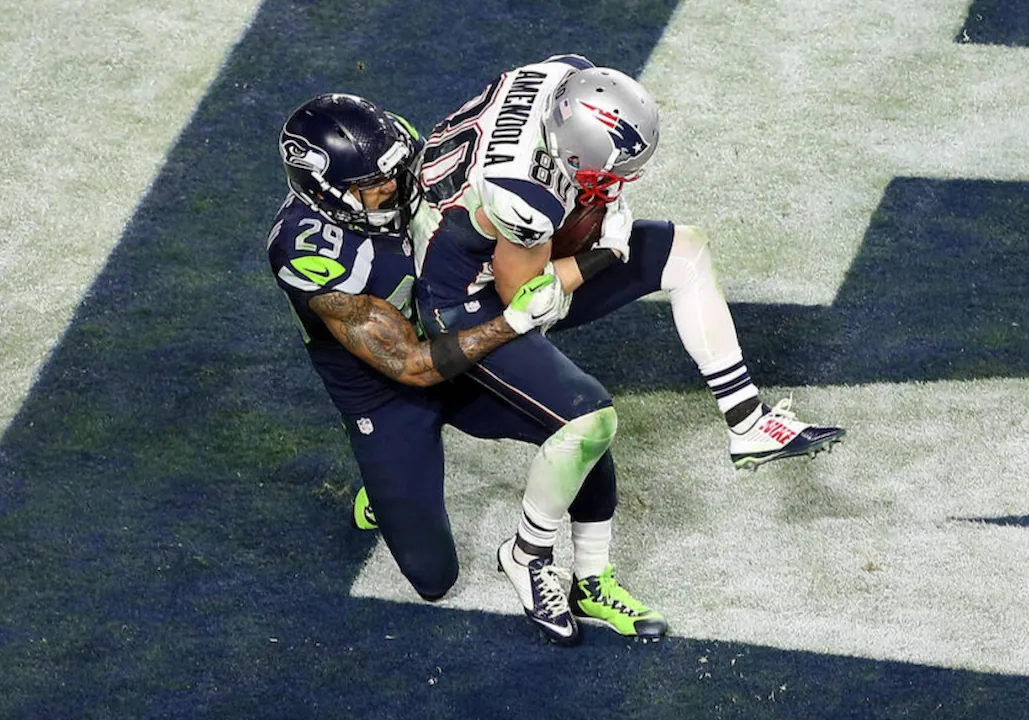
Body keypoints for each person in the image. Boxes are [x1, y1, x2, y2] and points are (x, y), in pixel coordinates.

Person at [409, 56, 845, 644]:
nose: (621, 184)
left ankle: (746, 424)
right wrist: (604, 252)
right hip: (469, 301)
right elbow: (528, 298)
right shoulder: (523, 192)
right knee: (587, 419)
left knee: (685, 251)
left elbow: (584, 187)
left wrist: (605, 210)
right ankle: (526, 556)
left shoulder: (567, 76)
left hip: (510, 243)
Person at [266, 93, 570, 609]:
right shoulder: (307, 251)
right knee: (434, 579)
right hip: (386, 394)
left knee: (577, 423)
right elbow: (410, 367)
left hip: (450, 326)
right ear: (325, 192)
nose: (393, 184)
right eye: (370, 185)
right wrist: (512, 321)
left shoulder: (394, 152)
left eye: (392, 169)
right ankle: (384, 491)